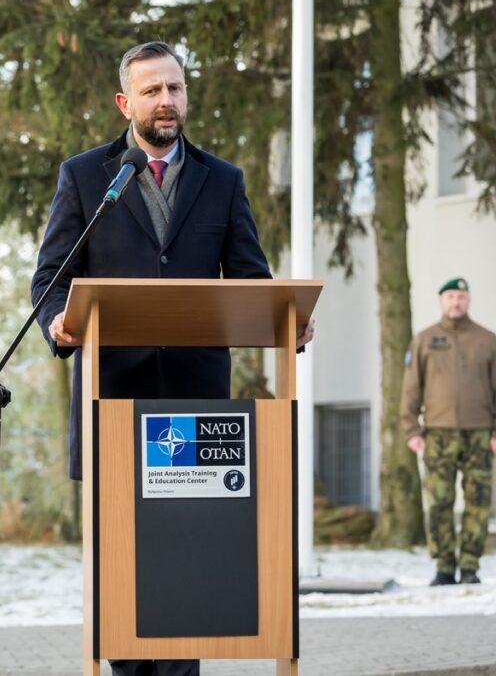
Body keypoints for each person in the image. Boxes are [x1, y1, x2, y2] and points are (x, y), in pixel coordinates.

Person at [31, 41, 313, 676]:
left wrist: (288, 316)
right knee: (124, 563)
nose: (166, 101)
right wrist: (57, 321)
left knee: (190, 558)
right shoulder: (85, 177)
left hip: (196, 409)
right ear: (124, 101)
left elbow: (250, 278)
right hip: (115, 401)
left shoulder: (223, 180)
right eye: (152, 90)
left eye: (175, 88)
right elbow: (51, 276)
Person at [401, 277, 496, 586]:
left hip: (480, 434)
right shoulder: (424, 340)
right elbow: (410, 389)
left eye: (461, 296)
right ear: (441, 301)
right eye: (450, 297)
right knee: (438, 501)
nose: (456, 302)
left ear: (469, 300)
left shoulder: (487, 340)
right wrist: (411, 429)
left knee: (478, 501)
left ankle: (470, 564)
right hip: (437, 434)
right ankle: (444, 565)